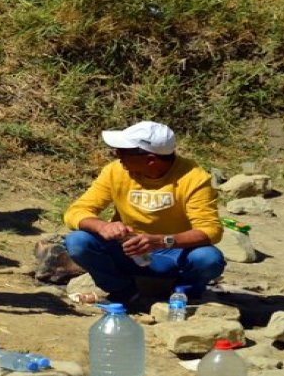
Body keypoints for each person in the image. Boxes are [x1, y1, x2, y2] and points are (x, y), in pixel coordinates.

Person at [63, 121, 226, 306]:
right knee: (78, 241)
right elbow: (75, 211)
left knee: (208, 258)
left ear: (150, 159)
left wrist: (159, 241)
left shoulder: (194, 178)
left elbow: (211, 230)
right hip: (128, 251)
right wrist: (103, 226)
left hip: (175, 253)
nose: (117, 156)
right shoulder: (115, 171)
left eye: (122, 152)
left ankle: (183, 293)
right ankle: (123, 291)